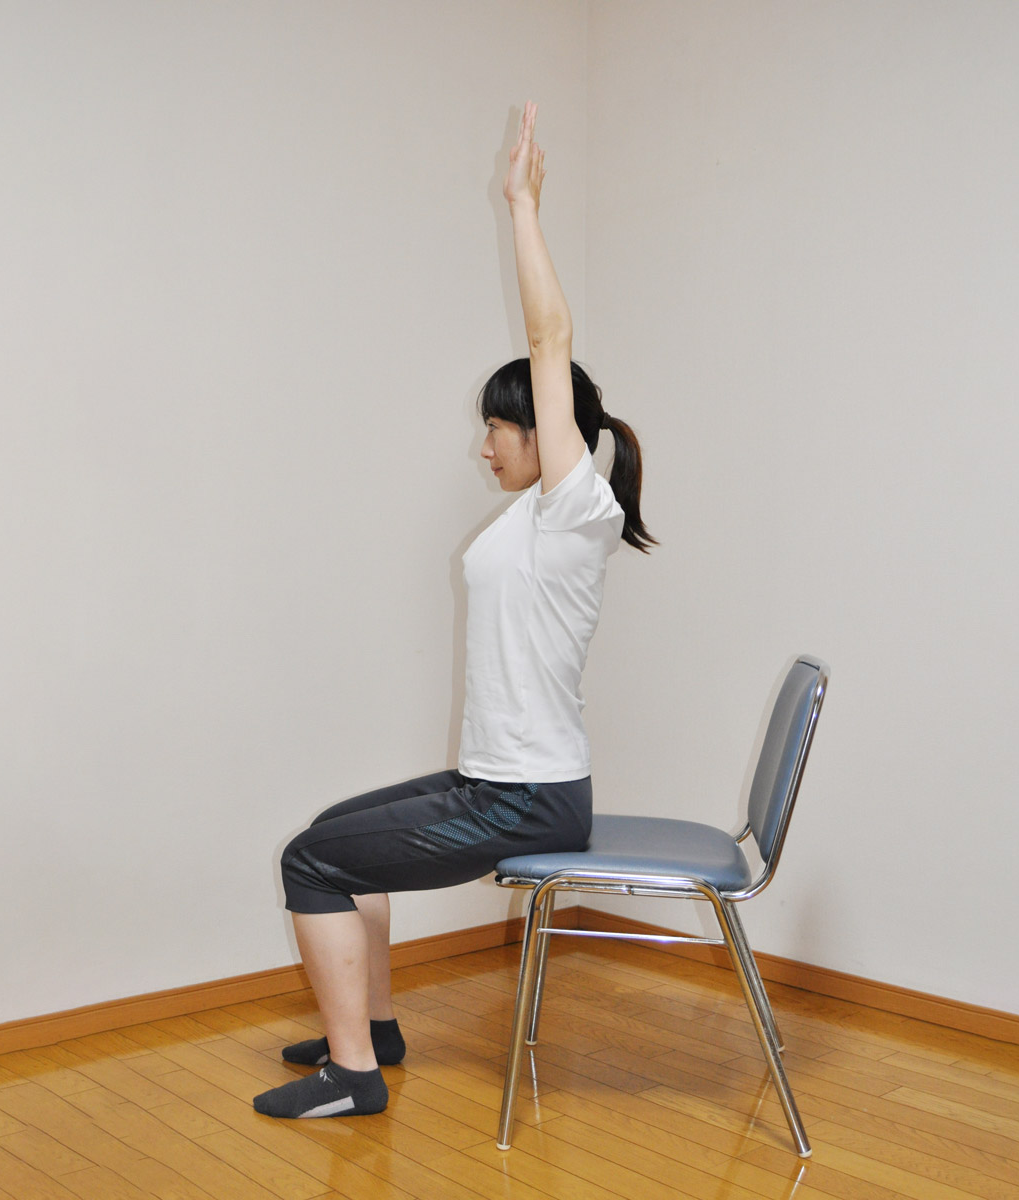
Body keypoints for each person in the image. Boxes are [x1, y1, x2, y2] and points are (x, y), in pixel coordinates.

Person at [252, 102, 655, 1120]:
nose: (484, 447)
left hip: (526, 796)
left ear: (548, 434)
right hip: (499, 779)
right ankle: (373, 1029)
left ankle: (354, 1078)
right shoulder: (535, 516)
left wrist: (522, 207)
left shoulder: (574, 509)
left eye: (498, 429)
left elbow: (551, 334)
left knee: (310, 862)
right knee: (332, 834)